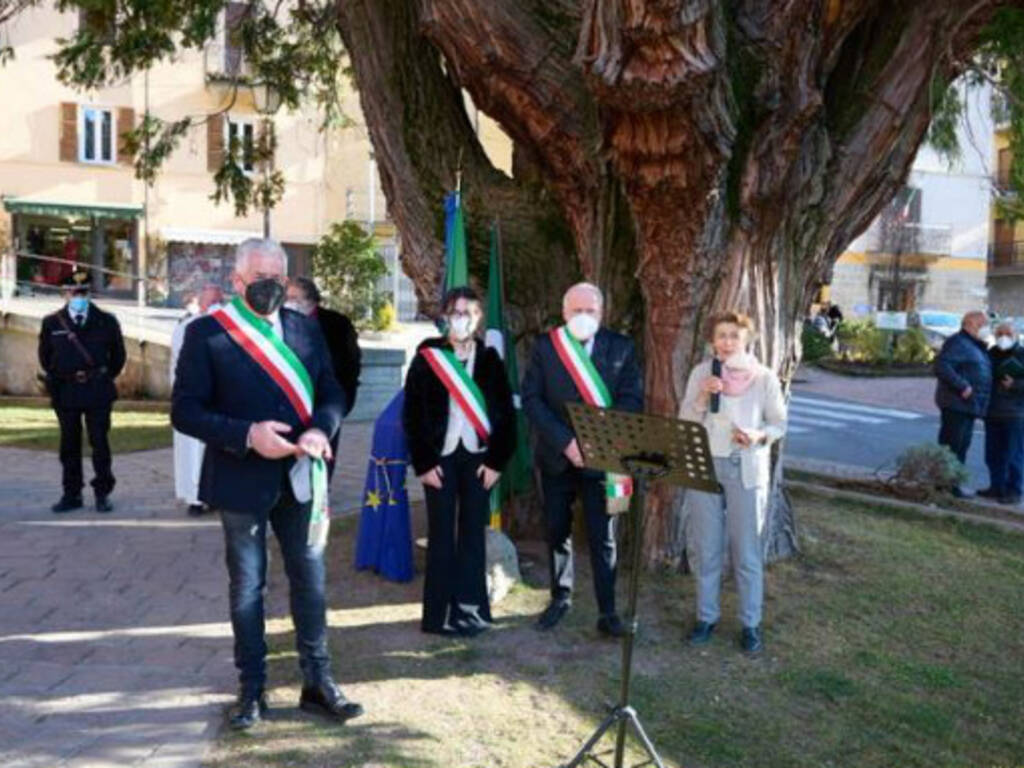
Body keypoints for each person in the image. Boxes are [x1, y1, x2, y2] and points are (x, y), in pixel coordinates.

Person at [172, 238, 363, 731]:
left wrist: (322, 426)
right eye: (260, 279)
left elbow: (332, 390)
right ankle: (251, 690)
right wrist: (247, 435)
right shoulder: (208, 334)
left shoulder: (303, 329)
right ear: (237, 281)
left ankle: (318, 683)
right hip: (241, 478)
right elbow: (186, 411)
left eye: (278, 279)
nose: (270, 288)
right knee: (248, 590)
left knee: (311, 580)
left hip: (299, 477)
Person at [522, 282, 643, 638]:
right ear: (564, 313)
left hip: (603, 461)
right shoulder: (546, 347)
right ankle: (560, 598)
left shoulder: (621, 348)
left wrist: (594, 443)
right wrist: (565, 443)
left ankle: (607, 612)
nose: (583, 316)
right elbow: (532, 400)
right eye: (576, 310)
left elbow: (632, 400)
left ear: (601, 313)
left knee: (603, 537)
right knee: (557, 529)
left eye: (590, 311)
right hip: (557, 459)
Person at [402, 286, 516, 635]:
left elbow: (506, 417)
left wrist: (496, 462)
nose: (461, 318)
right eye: (455, 312)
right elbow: (412, 415)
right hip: (439, 460)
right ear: (445, 316)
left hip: (478, 460)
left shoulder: (490, 360)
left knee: (471, 535)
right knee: (440, 536)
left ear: (479, 318)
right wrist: (422, 463)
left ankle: (470, 612)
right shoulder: (427, 356)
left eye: (468, 313)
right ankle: (437, 616)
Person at [680, 312, 786, 656]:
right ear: (713, 340)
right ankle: (706, 617)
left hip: (746, 469)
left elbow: (778, 423)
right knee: (706, 546)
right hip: (706, 466)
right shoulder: (703, 372)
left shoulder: (764, 378)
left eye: (733, 336)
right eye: (721, 336)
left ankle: (750, 624)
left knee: (746, 550)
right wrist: (700, 397)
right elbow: (686, 421)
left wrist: (758, 436)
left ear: (746, 340)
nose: (726, 342)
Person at [39, 270, 126, 513]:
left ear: (89, 293)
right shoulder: (52, 322)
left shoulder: (106, 321)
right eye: (73, 292)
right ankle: (72, 493)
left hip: (97, 390)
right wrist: (61, 377)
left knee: (99, 443)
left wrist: (102, 376)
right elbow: (45, 357)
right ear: (64, 294)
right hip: (66, 390)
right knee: (69, 445)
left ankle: (102, 492)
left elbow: (118, 357)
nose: (77, 296)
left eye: (82, 292)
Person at [170, 284, 223, 516]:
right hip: (197, 399)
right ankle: (196, 497)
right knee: (194, 451)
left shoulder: (194, 325)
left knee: (209, 451)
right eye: (212, 302)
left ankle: (209, 495)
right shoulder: (188, 327)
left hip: (216, 401)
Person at [934, 310, 992, 498]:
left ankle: (951, 484)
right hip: (956, 404)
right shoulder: (958, 342)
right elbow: (942, 366)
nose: (985, 329)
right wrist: (963, 386)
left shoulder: (973, 345)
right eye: (982, 325)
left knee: (960, 446)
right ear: (970, 324)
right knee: (953, 446)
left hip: (968, 406)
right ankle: (946, 486)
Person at [286, 277, 361, 418]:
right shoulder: (283, 321)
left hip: (329, 397)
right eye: (286, 298)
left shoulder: (338, 323)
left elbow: (351, 360)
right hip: (295, 399)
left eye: (294, 298)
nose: (288, 303)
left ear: (310, 300)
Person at [980, 322, 1024, 505]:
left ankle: (1014, 490)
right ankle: (996, 486)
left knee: (1014, 455)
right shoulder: (991, 353)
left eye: (1008, 333)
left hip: (1016, 413)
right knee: (993, 453)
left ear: (1015, 335)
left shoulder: (1022, 354)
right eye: (1000, 333)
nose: (1004, 336)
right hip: (992, 411)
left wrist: (1014, 385)